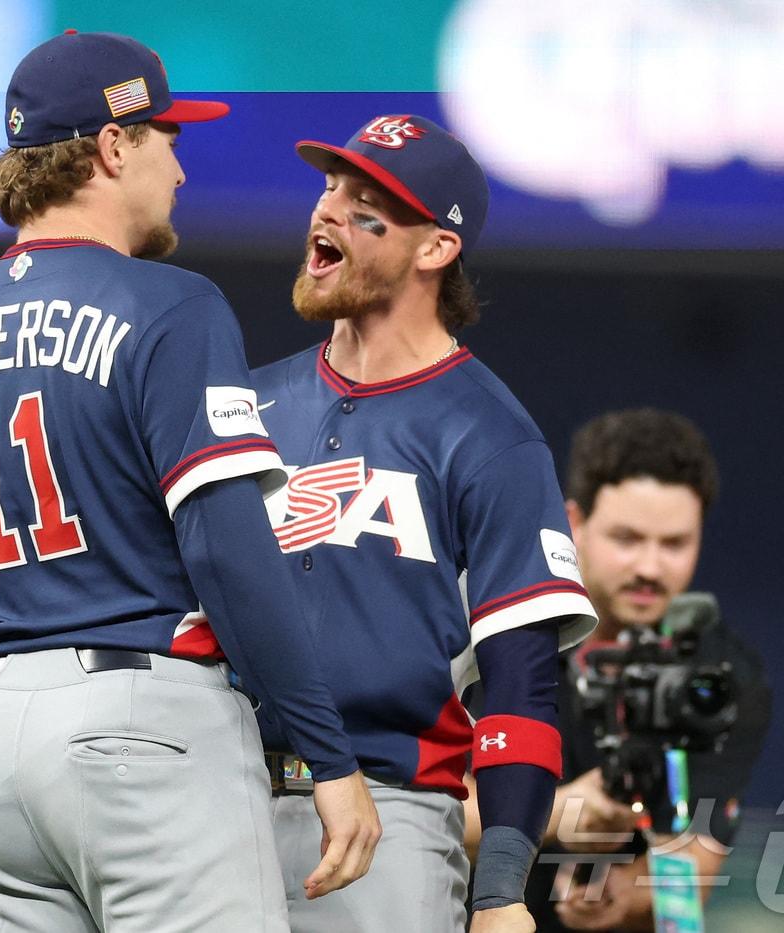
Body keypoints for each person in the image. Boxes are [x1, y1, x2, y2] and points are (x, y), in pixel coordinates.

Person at [0, 31, 380, 933]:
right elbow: (225, 543)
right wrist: (325, 755)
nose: (179, 167)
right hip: (146, 722)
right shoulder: (169, 305)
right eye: (166, 137)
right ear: (111, 145)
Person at [250, 114, 599, 933]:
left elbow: (520, 682)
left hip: (388, 813)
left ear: (434, 249)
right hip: (210, 803)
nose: (328, 210)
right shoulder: (245, 406)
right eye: (331, 187)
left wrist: (503, 889)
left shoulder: (491, 436)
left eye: (366, 203)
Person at [463, 408, 772, 931]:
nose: (650, 567)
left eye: (674, 543)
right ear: (574, 523)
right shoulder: (490, 631)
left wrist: (620, 896)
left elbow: (693, 866)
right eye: (627, 539)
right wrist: (559, 813)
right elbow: (417, 808)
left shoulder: (714, 678)